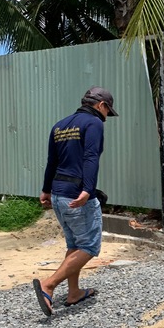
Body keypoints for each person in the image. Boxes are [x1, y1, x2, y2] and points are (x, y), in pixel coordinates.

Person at [32, 87, 118, 316]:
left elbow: (52, 161)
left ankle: (74, 293)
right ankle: (49, 284)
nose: (106, 117)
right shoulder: (94, 123)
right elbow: (91, 156)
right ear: (101, 105)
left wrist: (46, 189)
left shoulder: (60, 126)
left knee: (74, 244)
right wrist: (88, 189)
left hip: (58, 194)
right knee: (89, 246)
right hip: (76, 194)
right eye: (107, 111)